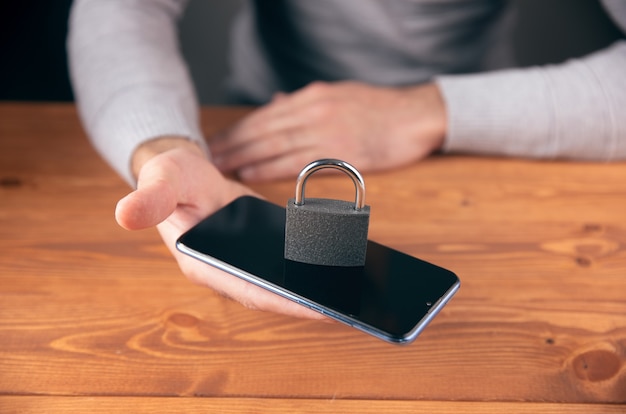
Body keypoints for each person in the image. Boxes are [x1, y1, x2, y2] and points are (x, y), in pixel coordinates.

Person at [67, 0, 626, 319]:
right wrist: (163, 146)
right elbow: (118, 11)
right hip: (252, 138)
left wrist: (432, 110)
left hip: (482, 140)